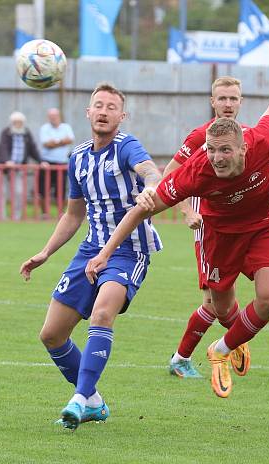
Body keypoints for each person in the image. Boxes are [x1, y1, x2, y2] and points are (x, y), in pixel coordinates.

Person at [85, 41, 269, 398]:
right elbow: (142, 210)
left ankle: (223, 350)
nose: (216, 158)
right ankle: (219, 346)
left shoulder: (262, 140)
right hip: (220, 236)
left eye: (224, 151)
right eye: (211, 151)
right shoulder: (197, 170)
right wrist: (105, 252)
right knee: (222, 308)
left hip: (265, 225)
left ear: (242, 147)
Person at [163, 76, 269, 381]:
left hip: (255, 225)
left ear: (241, 102)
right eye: (222, 98)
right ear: (212, 102)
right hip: (212, 227)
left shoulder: (250, 138)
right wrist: (187, 212)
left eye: (233, 99)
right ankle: (182, 357)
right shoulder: (201, 137)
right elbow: (169, 176)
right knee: (214, 305)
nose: (228, 104)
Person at [19, 83, 163, 429]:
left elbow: (150, 171)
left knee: (102, 313)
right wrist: (46, 252)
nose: (103, 111)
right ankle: (95, 401)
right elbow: (73, 215)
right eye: (98, 105)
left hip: (129, 250)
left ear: (121, 116)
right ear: (87, 112)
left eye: (111, 107)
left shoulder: (127, 146)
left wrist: (152, 186)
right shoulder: (79, 158)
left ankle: (79, 399)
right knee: (51, 335)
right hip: (89, 251)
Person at [0, 111, 41, 220]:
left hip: (18, 168)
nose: (17, 124)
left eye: (20, 122)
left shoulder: (26, 133)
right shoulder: (6, 132)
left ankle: (16, 217)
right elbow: (3, 147)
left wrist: (41, 161)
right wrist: (7, 160)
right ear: (11, 122)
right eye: (15, 122)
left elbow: (32, 148)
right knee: (1, 192)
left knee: (19, 192)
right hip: (2, 167)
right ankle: (1, 217)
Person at [37, 108, 75, 219]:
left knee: (62, 189)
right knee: (43, 189)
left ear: (59, 116)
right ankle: (44, 213)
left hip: (62, 163)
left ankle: (60, 213)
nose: (53, 118)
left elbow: (70, 140)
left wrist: (55, 141)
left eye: (55, 116)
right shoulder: (44, 128)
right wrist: (61, 141)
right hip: (47, 163)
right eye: (51, 116)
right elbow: (47, 144)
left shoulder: (66, 127)